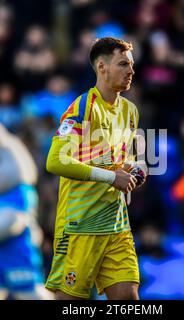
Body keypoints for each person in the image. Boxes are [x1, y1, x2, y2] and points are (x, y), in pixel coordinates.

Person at [44, 37, 147, 300]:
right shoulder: (81, 108)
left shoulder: (130, 111)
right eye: (123, 64)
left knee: (128, 298)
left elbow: (121, 158)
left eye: (132, 65)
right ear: (101, 67)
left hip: (116, 225)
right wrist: (112, 177)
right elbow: (55, 161)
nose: (131, 71)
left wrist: (134, 169)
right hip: (80, 224)